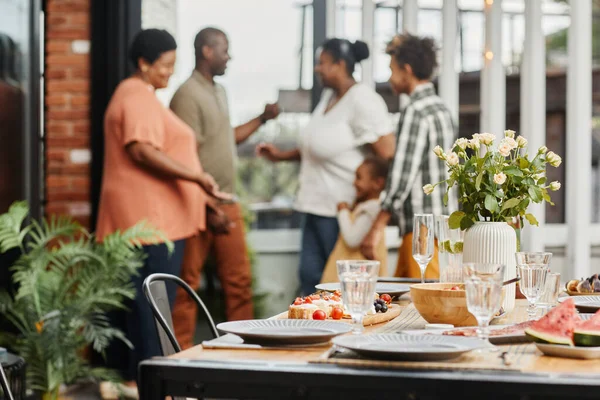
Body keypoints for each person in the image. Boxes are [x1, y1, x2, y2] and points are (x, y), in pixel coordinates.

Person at [95, 29, 225, 399]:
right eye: (165, 65)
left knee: (139, 308)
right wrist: (197, 177)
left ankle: (132, 383)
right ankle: (155, 387)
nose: (170, 72)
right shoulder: (135, 95)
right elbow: (141, 149)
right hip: (148, 225)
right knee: (151, 309)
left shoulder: (140, 95)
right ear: (144, 64)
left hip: (150, 222)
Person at [169, 27, 280, 350]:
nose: (228, 57)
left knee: (239, 283)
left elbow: (225, 138)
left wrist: (262, 118)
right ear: (206, 51)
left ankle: (244, 353)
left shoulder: (218, 91)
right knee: (187, 286)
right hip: (197, 203)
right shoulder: (187, 95)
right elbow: (182, 154)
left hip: (227, 200)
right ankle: (179, 359)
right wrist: (206, 204)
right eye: (224, 50)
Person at [258, 38, 395, 296]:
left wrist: (375, 209)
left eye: (322, 63)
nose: (317, 69)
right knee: (310, 282)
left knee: (337, 288)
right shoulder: (329, 97)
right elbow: (317, 146)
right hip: (312, 205)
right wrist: (280, 156)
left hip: (340, 211)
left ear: (340, 64)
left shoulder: (362, 100)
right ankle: (314, 336)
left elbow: (387, 154)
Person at [361, 33, 457, 279]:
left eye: (392, 69)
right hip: (443, 227)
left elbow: (402, 175)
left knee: (421, 303)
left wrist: (376, 228)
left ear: (407, 69)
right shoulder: (442, 109)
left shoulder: (415, 110)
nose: (390, 77)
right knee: (403, 299)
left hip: (421, 229)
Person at [320, 156, 389, 283]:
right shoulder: (366, 206)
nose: (354, 183)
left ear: (377, 183)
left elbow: (352, 239)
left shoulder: (371, 209)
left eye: (359, 177)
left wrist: (342, 211)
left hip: (355, 276)